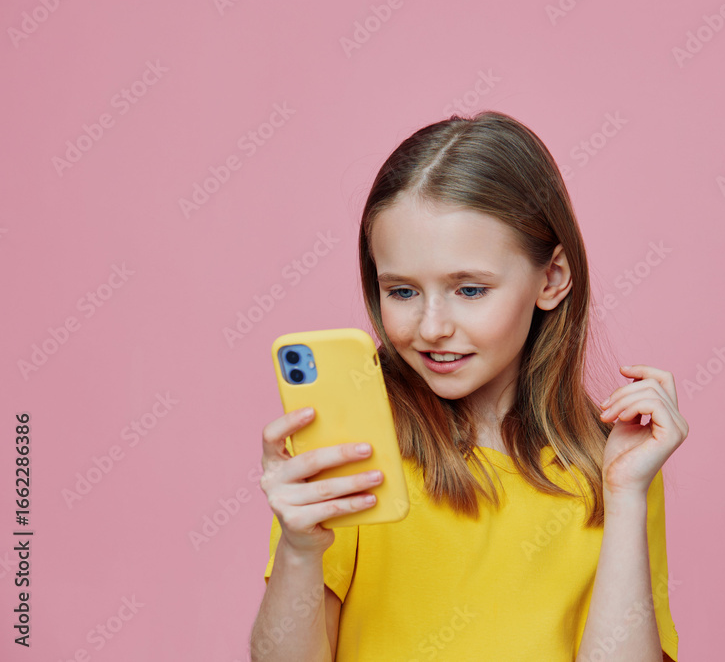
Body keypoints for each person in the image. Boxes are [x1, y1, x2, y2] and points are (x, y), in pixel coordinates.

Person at [250, 111, 688, 661]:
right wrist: (298, 550)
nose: (432, 327)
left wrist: (624, 497)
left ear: (552, 278)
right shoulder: (353, 449)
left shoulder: (614, 465)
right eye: (403, 291)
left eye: (470, 290)